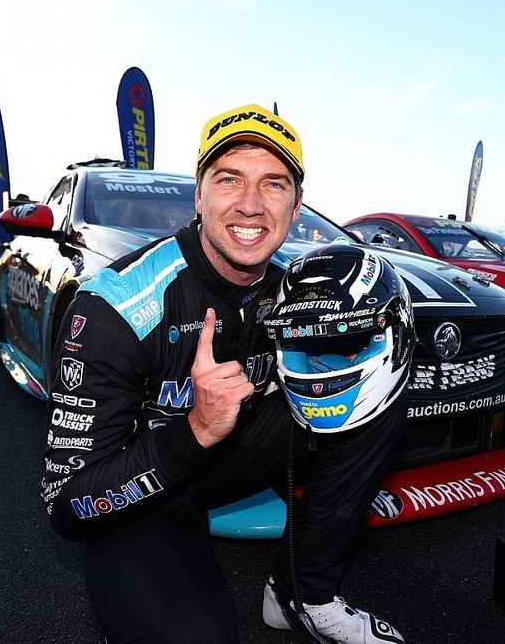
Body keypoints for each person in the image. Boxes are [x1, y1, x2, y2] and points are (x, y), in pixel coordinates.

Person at [42, 104, 409, 643]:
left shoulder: (297, 291)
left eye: (274, 184)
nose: (252, 204)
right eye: (230, 179)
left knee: (376, 378)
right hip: (139, 490)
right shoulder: (114, 304)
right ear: (199, 195)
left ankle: (302, 593)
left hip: (229, 459)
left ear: (296, 204)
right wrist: (196, 431)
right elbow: (68, 505)